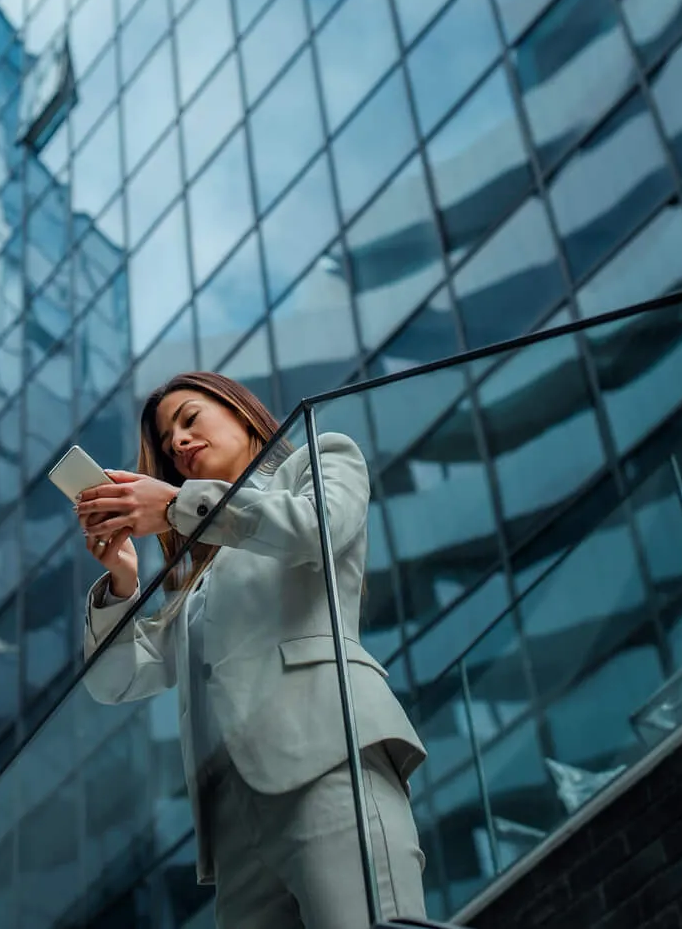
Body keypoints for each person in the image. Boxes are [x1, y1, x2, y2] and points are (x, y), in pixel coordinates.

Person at [73, 370, 429, 928]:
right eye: (169, 446)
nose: (180, 444)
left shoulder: (320, 457)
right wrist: (121, 581)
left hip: (325, 760)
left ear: (241, 413)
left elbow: (321, 526)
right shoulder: (195, 588)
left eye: (190, 421)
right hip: (234, 819)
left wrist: (174, 507)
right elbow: (114, 680)